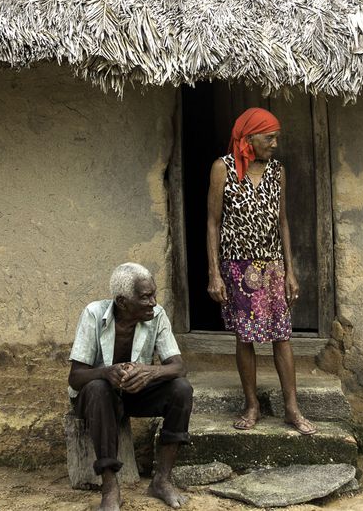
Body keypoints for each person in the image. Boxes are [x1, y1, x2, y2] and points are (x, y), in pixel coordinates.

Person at [206, 107, 317, 435]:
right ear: (249, 137)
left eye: (276, 137)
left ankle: (292, 409)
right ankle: (252, 405)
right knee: (245, 337)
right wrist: (214, 272)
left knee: (282, 336)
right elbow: (212, 223)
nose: (275, 143)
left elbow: (283, 221)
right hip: (237, 267)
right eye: (269, 137)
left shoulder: (277, 171)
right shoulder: (221, 169)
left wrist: (290, 271)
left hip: (272, 266)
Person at [68, 262, 192, 511]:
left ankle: (162, 480)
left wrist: (151, 371)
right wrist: (106, 372)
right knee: (97, 388)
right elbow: (75, 377)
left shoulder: (157, 316)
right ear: (123, 302)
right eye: (145, 297)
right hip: (97, 398)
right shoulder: (93, 314)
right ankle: (110, 488)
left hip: (135, 394)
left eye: (154, 294)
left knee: (181, 388)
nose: (153, 302)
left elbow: (179, 367)